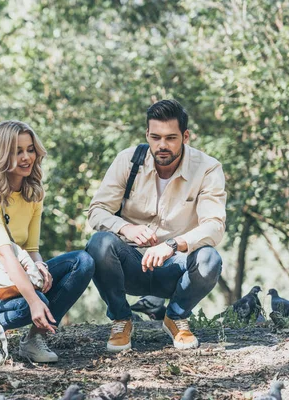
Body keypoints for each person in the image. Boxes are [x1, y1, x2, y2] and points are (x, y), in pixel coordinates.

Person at [86, 99, 226, 352]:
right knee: (99, 243)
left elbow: (214, 225)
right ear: (147, 135)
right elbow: (96, 212)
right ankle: (121, 319)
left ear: (185, 136)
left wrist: (173, 245)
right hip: (129, 265)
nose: (162, 145)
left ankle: (175, 316)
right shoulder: (127, 160)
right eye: (156, 137)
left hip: (175, 267)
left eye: (171, 138)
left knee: (210, 259)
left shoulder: (208, 168)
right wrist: (125, 228)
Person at [0, 120, 95, 365]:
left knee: (83, 261)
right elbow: (5, 255)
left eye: (30, 149)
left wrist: (40, 267)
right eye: (18, 151)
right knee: (29, 305)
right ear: (3, 154)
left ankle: (33, 340)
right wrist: (34, 299)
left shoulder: (33, 194)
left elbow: (31, 250)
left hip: (12, 275)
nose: (27, 157)